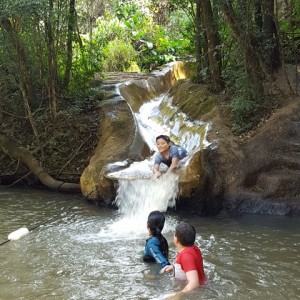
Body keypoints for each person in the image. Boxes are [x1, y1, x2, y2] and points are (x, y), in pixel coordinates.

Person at [160, 222, 206, 295]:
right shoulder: (194, 248)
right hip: (202, 286)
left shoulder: (186, 256)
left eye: (174, 234)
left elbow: (194, 283)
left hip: (194, 294)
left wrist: (178, 295)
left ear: (177, 240)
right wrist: (174, 267)